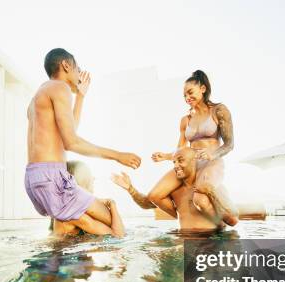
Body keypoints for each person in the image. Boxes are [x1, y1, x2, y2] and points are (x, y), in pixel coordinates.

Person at [25, 48, 141, 234]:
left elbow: (68, 133)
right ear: (66, 65)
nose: (79, 74)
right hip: (52, 177)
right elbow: (72, 143)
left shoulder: (38, 97)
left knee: (82, 227)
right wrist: (117, 156)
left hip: (34, 179)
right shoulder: (59, 87)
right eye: (78, 69)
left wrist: (80, 96)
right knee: (113, 221)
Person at [148, 70, 235, 226]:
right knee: (155, 195)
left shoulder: (219, 110)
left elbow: (229, 145)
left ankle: (223, 224)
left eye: (190, 92)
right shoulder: (185, 120)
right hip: (190, 164)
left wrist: (213, 154)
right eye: (184, 96)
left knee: (200, 198)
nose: (187, 98)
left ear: (203, 88)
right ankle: (183, 215)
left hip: (212, 163)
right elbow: (181, 149)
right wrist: (166, 156)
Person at [112, 148, 237, 232]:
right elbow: (146, 203)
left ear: (195, 162)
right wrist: (130, 189)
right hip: (183, 239)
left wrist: (210, 193)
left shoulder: (214, 187)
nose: (176, 166)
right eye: (174, 162)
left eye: (181, 161)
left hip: (211, 240)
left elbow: (232, 221)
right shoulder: (174, 192)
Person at [52, 161, 124, 237]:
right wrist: (112, 204)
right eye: (88, 175)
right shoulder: (72, 214)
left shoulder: (67, 209)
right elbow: (117, 235)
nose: (93, 178)